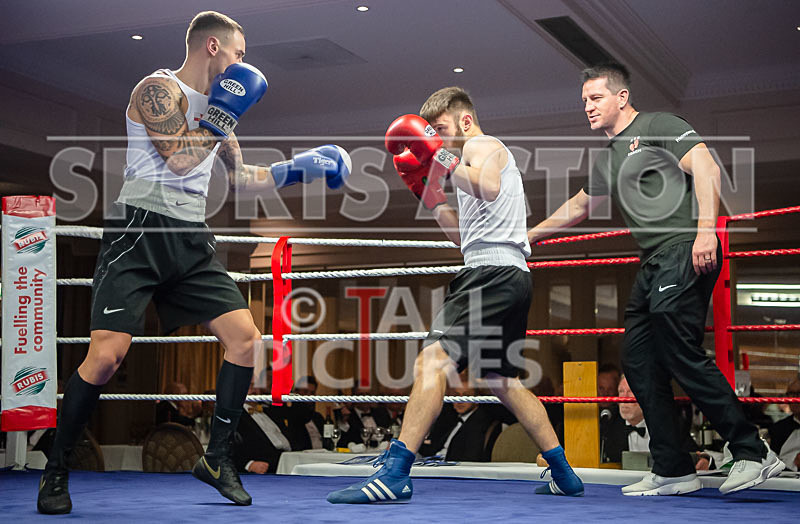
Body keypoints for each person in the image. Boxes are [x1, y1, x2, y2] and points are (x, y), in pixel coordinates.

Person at [36, 11, 350, 514]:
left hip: (189, 234)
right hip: (139, 228)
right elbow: (180, 159)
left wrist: (304, 167)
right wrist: (225, 112)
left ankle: (217, 458)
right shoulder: (157, 90)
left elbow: (243, 178)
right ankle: (54, 470)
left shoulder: (219, 112)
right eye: (238, 54)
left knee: (245, 339)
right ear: (211, 47)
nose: (242, 63)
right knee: (105, 357)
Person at [527, 62, 783, 496]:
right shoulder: (609, 156)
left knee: (677, 347)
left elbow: (707, 168)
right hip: (651, 263)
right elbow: (579, 206)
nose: (587, 107)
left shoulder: (659, 125)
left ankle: (753, 451)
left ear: (621, 97)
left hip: (684, 246)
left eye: (596, 98)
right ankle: (673, 467)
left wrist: (706, 230)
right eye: (584, 100)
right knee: (639, 361)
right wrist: (527, 238)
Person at [327, 87, 583, 504]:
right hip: (507, 273)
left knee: (432, 359)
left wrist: (437, 156)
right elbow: (464, 238)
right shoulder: (464, 161)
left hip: (491, 275)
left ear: (464, 121)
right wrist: (425, 192)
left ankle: (395, 473)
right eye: (433, 135)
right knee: (503, 380)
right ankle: (563, 472)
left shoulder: (482, 144)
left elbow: (489, 187)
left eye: (442, 130)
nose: (439, 141)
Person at [418, 381, 501, 462]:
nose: (460, 400)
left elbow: (471, 458)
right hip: (433, 462)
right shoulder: (449, 419)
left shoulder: (481, 423)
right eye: (456, 395)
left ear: (477, 399)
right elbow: (432, 447)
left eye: (466, 395)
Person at [768, 378, 800, 472]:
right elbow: (771, 461)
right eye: (791, 394)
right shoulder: (777, 429)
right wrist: (793, 462)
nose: (794, 398)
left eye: (798, 393)